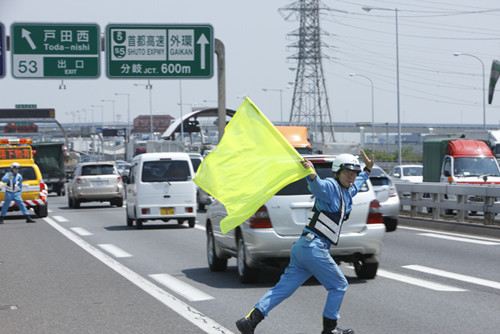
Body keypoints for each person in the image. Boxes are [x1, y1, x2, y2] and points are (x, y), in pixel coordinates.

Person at [236, 150, 374, 334]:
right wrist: (312, 174)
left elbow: (357, 183)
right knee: (339, 285)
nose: (351, 176)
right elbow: (317, 186)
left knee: (283, 289)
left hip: (303, 247)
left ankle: (250, 321)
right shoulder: (331, 187)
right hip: (314, 247)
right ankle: (330, 330)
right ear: (336, 172)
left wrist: (367, 171)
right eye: (347, 172)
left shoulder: (347, 190)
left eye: (354, 172)